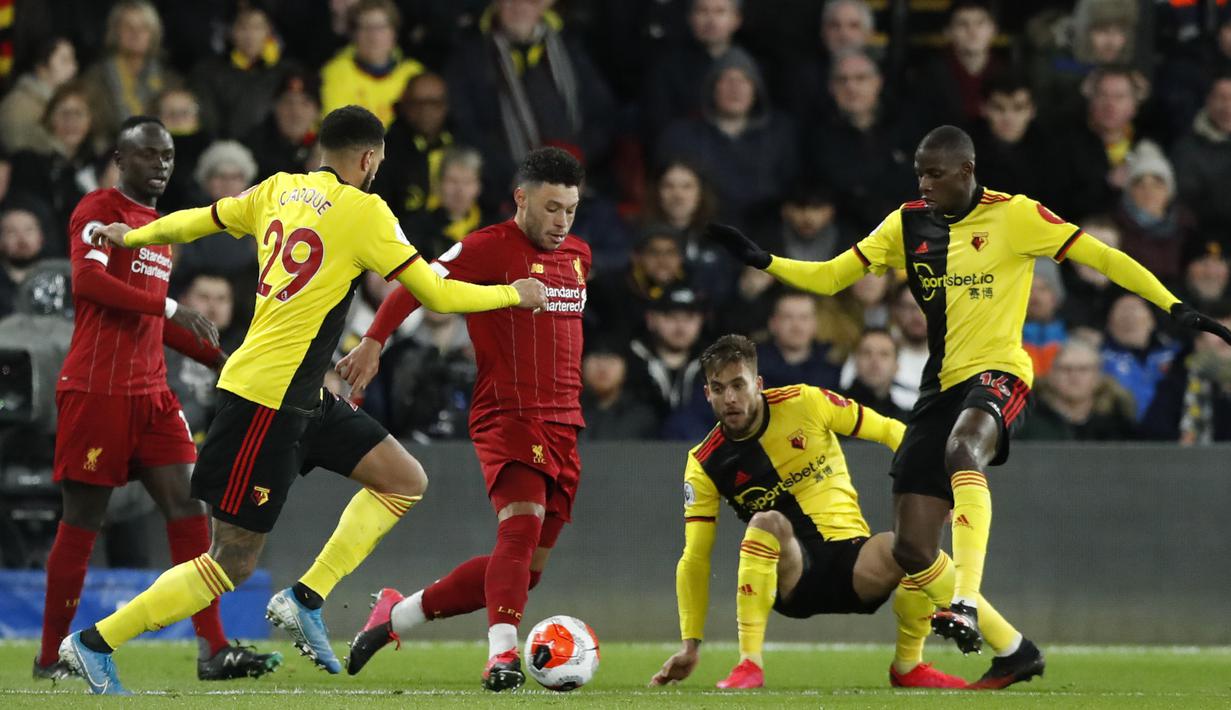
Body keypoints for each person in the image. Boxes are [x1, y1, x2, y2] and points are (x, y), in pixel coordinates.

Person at [705, 124, 1231, 688]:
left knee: (965, 449)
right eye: (919, 174)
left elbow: (1106, 258)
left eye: (934, 173)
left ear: (966, 170)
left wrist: (1174, 306)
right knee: (911, 547)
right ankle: (1016, 652)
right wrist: (764, 261)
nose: (924, 184)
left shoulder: (1018, 216)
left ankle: (968, 602)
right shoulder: (907, 223)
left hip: (1000, 372)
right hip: (940, 386)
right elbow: (834, 276)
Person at [59, 105, 545, 695]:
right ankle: (93, 643)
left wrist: (131, 235)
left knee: (403, 478)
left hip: (302, 394)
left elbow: (196, 221)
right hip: (264, 400)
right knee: (231, 562)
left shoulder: (277, 189)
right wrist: (512, 295)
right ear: (368, 159)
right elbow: (436, 293)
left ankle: (306, 597)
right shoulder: (365, 212)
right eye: (379, 162)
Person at [334, 147, 588, 692]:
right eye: (551, 208)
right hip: (509, 413)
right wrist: (375, 341)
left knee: (524, 569)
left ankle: (395, 616)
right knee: (519, 530)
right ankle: (502, 658)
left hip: (565, 422)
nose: (562, 222)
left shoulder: (579, 255)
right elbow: (417, 282)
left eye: (570, 209)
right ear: (521, 199)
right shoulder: (488, 247)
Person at [37, 116, 278, 685]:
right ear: (121, 158)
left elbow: (151, 317)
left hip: (152, 395)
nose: (161, 165)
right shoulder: (100, 210)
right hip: (97, 391)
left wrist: (223, 364)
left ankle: (212, 648)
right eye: (149, 155)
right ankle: (50, 657)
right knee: (83, 522)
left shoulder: (160, 226)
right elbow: (90, 286)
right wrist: (172, 307)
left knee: (191, 511)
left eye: (168, 156)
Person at [648, 335, 965, 690]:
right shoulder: (705, 461)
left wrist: (935, 484)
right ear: (707, 393)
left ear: (757, 384)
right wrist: (690, 645)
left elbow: (892, 431)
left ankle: (909, 664)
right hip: (792, 577)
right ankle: (749, 665)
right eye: (718, 389)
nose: (730, 398)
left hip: (854, 565)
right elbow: (695, 558)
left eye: (738, 385)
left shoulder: (805, 402)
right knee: (767, 521)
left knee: (911, 546)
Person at [191, 5, 290, 140]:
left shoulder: (286, 71)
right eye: (243, 27)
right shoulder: (208, 71)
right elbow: (209, 120)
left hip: (274, 148)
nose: (250, 35)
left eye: (257, 27)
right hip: (227, 149)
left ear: (269, 31)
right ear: (231, 31)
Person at [320, 0, 424, 126]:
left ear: (394, 33)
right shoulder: (335, 73)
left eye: (381, 27)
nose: (373, 36)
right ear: (354, 34)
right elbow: (338, 131)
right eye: (365, 28)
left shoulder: (414, 74)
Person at [1018, 340, 1136, 441]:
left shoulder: (1118, 425)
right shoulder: (1025, 424)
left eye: (1083, 369)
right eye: (1066, 369)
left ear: (1098, 376)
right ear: (1051, 375)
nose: (1074, 376)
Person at [1171, 74, 1231, 238]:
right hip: (1203, 238)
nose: (1228, 106)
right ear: (1208, 101)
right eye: (1222, 98)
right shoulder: (1187, 148)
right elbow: (1186, 203)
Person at [0, 36, 78, 154]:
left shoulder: (66, 102)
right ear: (41, 67)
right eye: (65, 60)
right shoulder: (18, 106)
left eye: (73, 60)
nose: (73, 68)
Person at [756, 291, 841, 389]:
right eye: (788, 317)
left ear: (815, 324)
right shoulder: (753, 365)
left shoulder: (831, 367)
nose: (796, 326)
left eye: (804, 318)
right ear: (773, 323)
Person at [842, 328, 911, 421]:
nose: (875, 361)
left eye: (884, 354)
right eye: (867, 353)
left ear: (896, 366)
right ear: (855, 362)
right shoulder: (834, 410)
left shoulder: (906, 422)